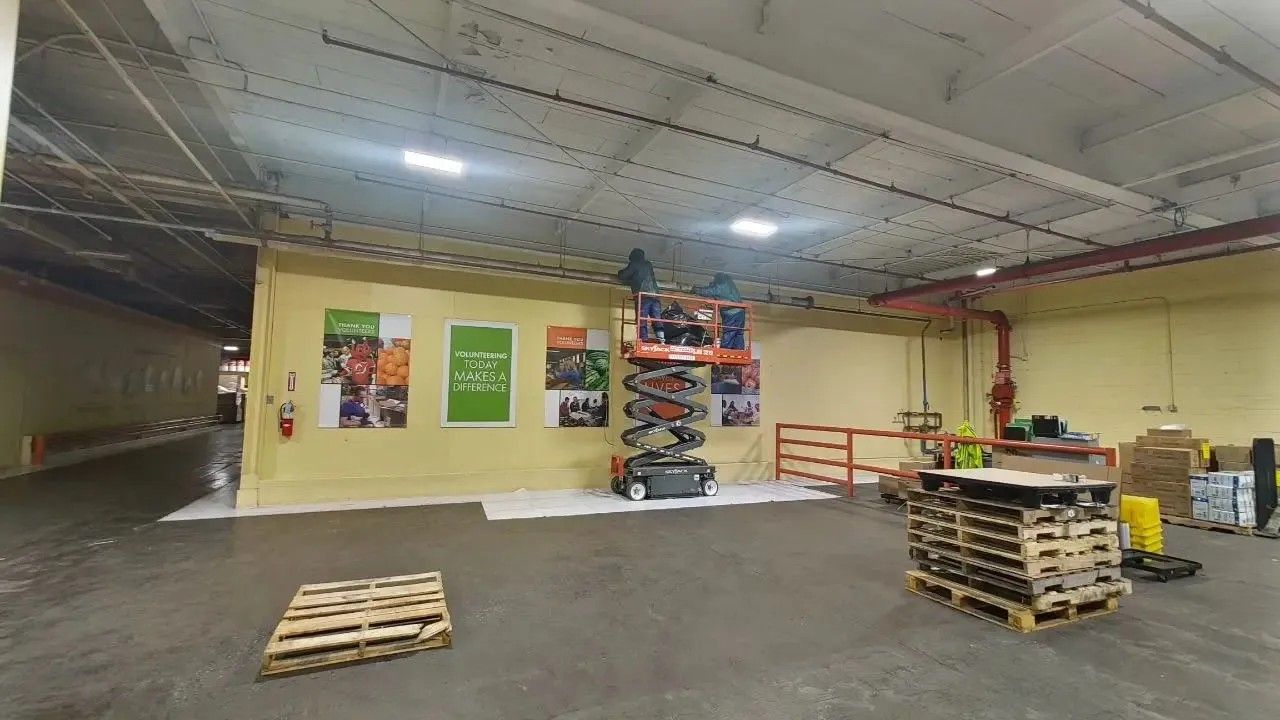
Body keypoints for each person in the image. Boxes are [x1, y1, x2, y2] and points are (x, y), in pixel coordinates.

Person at [617, 248, 663, 342]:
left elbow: (624, 275)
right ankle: (661, 339)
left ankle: (644, 340)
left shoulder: (634, 264)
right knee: (657, 319)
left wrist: (620, 272)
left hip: (643, 296)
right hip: (655, 297)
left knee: (641, 319)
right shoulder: (648, 264)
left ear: (633, 257)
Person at [693, 272, 746, 350]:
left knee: (729, 332)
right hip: (740, 312)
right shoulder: (730, 284)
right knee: (738, 333)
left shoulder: (722, 286)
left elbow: (711, 291)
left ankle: (724, 351)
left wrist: (696, 290)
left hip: (731, 313)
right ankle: (739, 351)